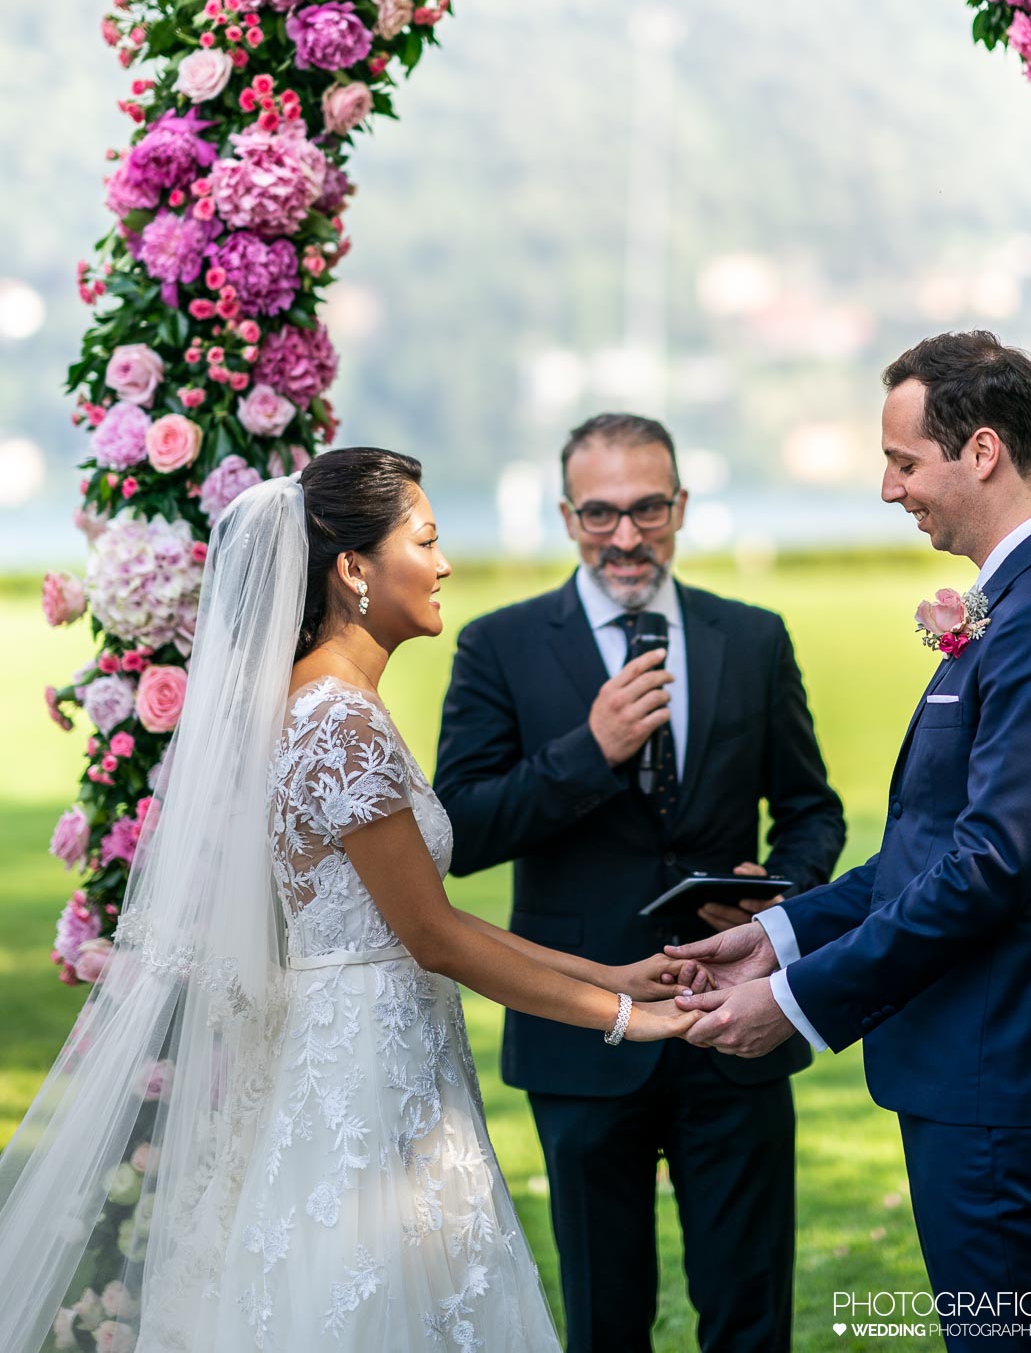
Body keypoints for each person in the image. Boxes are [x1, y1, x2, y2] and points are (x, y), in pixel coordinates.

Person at [0, 449, 702, 1352]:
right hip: (367, 1075)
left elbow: (411, 920)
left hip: (377, 1048)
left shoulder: (323, 707)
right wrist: (622, 1017)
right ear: (353, 568)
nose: (445, 564)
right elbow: (433, 937)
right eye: (426, 540)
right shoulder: (338, 721)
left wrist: (613, 973)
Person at [669, 332, 1031, 1350]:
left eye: (904, 462)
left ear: (981, 450)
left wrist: (797, 1005)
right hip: (976, 1064)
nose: (890, 489)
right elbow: (928, 847)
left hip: (1001, 1065)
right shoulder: (1020, 604)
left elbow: (988, 868)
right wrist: (781, 938)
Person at [434, 412, 846, 1353]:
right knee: (604, 1318)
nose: (626, 536)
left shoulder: (752, 636)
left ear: (682, 506)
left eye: (648, 509)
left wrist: (783, 885)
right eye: (600, 513)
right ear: (567, 514)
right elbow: (459, 833)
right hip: (581, 1028)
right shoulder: (499, 645)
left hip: (734, 1018)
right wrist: (593, 752)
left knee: (750, 1312)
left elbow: (813, 809)